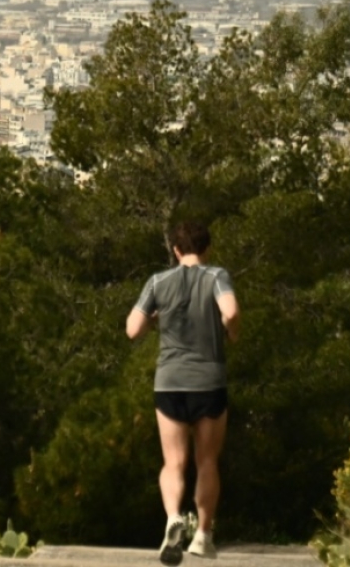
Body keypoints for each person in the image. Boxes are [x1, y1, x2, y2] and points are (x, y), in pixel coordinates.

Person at [126, 222, 240, 565]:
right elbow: (231, 310)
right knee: (206, 460)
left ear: (176, 249)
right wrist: (231, 332)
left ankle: (173, 516)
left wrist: (154, 318)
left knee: (173, 462)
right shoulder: (216, 276)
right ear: (207, 248)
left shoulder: (158, 281)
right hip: (209, 380)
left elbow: (132, 329)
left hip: (170, 381)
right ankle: (203, 535)